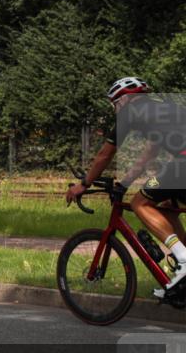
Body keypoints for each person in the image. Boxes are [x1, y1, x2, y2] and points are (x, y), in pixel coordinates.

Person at [65, 77, 186, 302]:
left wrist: (84, 184)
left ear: (124, 100)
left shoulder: (131, 112)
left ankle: (183, 258)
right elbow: (149, 154)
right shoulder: (163, 108)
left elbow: (105, 154)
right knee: (168, 207)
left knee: (140, 203)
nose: (115, 110)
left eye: (115, 104)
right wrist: (125, 183)